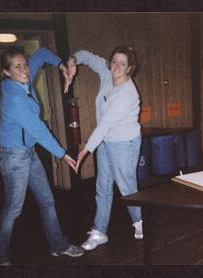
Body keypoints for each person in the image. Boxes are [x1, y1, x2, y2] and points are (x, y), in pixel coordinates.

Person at [0, 46, 84, 266]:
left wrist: (61, 66)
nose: (25, 70)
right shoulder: (14, 98)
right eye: (17, 66)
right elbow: (38, 129)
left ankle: (58, 246)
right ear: (6, 72)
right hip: (13, 158)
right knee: (13, 210)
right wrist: (62, 154)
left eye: (25, 64)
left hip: (29, 154)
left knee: (47, 201)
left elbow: (42, 53)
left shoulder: (25, 77)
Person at [67, 46, 143, 251]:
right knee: (102, 186)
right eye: (114, 61)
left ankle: (140, 222)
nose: (116, 66)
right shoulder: (107, 72)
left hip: (124, 143)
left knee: (127, 187)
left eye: (123, 64)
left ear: (129, 69)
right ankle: (100, 231)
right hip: (106, 141)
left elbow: (105, 124)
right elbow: (87, 55)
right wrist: (73, 60)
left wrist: (85, 150)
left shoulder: (127, 93)